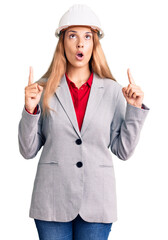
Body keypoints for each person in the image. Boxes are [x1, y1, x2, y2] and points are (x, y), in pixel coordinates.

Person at [18, 4, 150, 240]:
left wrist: (134, 110)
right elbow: (28, 151)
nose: (80, 43)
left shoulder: (112, 91)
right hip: (51, 201)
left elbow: (124, 151)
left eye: (87, 36)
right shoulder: (42, 88)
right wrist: (30, 109)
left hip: (97, 202)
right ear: (63, 43)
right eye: (73, 36)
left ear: (94, 44)